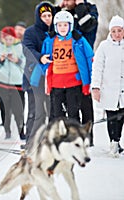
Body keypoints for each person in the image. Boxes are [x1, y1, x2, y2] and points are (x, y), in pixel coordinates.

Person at [32, 11, 93, 121]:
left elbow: (89, 59)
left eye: (65, 25)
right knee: (57, 115)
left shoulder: (78, 40)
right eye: (59, 25)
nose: (62, 28)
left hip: (74, 83)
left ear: (70, 25)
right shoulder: (50, 41)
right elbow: (44, 61)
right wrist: (34, 80)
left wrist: (89, 82)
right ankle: (61, 137)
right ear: (55, 26)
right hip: (56, 84)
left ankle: (74, 136)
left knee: (73, 113)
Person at [56, 0, 98, 146]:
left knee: (85, 104)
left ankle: (88, 137)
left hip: (83, 63)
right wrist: (59, 9)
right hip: (67, 67)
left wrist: (80, 5)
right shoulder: (64, 12)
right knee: (70, 106)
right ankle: (72, 136)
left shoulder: (90, 9)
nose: (66, 2)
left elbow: (88, 26)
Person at [91, 15, 124, 157]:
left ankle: (117, 141)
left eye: (120, 30)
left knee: (121, 117)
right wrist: (96, 87)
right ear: (110, 32)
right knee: (112, 117)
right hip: (109, 89)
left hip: (122, 90)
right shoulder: (104, 47)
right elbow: (97, 68)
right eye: (114, 31)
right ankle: (113, 142)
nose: (117, 34)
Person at [22, 1, 55, 144]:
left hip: (53, 78)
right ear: (38, 17)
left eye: (49, 15)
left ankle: (51, 140)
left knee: (52, 110)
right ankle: (31, 140)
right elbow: (27, 50)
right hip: (34, 77)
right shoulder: (30, 32)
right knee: (36, 111)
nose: (47, 18)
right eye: (44, 16)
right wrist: (40, 57)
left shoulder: (58, 30)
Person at [0, 26, 26, 140]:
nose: (9, 41)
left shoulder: (20, 48)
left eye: (11, 39)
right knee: (4, 108)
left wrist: (17, 61)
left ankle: (21, 131)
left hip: (17, 83)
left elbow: (26, 64)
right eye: (7, 39)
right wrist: (1, 60)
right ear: (3, 38)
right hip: (2, 83)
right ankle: (7, 130)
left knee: (19, 109)